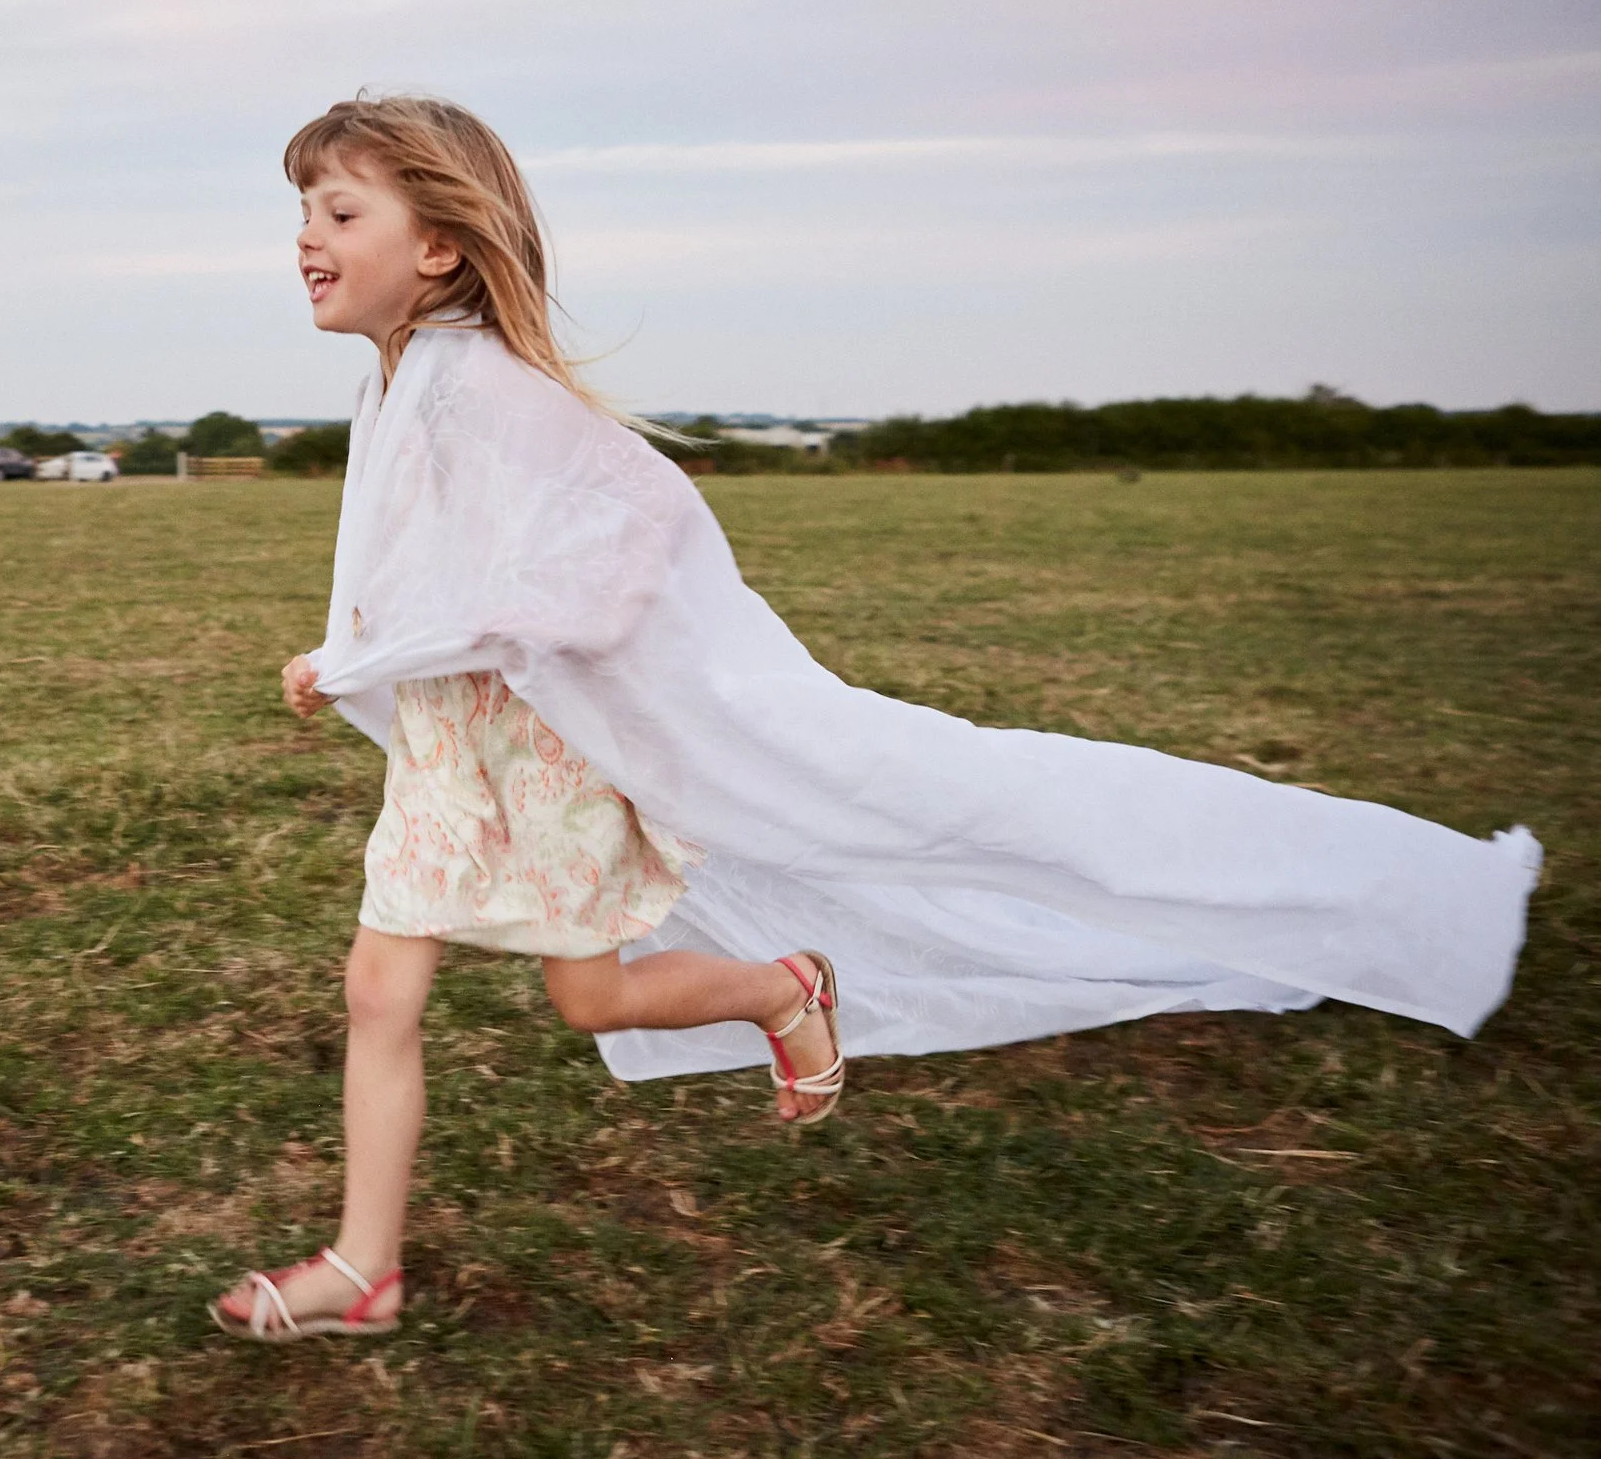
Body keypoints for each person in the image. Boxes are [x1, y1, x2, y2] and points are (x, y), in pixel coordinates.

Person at [210, 95, 1539, 1344]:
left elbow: (631, 523)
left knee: (587, 997)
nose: (305, 238)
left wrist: (444, 639)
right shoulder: (400, 378)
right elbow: (426, 562)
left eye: (339, 213)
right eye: (306, 213)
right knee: (380, 986)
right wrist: (353, 652)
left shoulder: (477, 378)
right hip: (453, 753)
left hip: (541, 759)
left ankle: (784, 985)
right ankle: (365, 1266)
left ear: (438, 246)